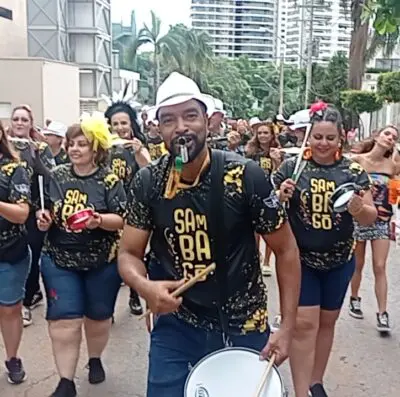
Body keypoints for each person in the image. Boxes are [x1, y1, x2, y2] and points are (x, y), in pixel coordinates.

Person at [118, 72, 301, 397]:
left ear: (210, 120)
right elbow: (129, 254)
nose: (181, 127)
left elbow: (286, 250)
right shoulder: (147, 182)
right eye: (169, 119)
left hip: (243, 323)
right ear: (157, 128)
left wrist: (286, 327)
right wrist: (146, 287)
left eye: (191, 115)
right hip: (177, 325)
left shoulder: (245, 175)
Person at [274, 102, 377, 397]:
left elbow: (371, 215)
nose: (323, 143)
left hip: (340, 261)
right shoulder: (293, 168)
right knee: (305, 324)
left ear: (340, 138)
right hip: (300, 261)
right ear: (309, 136)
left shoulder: (354, 171)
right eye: (317, 136)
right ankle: (300, 391)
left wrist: (359, 208)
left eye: (330, 137)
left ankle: (315, 381)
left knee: (326, 323)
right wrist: (281, 195)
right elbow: (267, 205)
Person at [36, 114, 126, 397]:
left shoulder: (110, 180)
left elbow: (123, 219)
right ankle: (66, 382)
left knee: (98, 316)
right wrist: (44, 218)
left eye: (82, 144)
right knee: (64, 319)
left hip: (102, 260)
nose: (74, 149)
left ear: (96, 149)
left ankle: (95, 358)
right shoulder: (58, 175)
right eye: (71, 144)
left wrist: (99, 220)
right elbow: (49, 210)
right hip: (59, 257)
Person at [349, 125, 400, 332]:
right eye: (387, 134)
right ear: (377, 136)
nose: (390, 138)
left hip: (383, 220)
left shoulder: (393, 165)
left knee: (380, 266)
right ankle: (354, 298)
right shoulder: (358, 161)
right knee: (358, 264)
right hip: (360, 218)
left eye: (394, 137)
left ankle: (382, 312)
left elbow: (396, 190)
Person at [8, 104, 56, 327]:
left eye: (24, 120)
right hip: (8, 209)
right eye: (16, 119)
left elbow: (51, 177)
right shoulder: (4, 145)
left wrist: (36, 159)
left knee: (31, 256)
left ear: (30, 123)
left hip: (34, 209)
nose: (19, 123)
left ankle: (25, 302)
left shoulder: (40, 148)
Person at [105, 94, 151, 316]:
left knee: (133, 253)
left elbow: (149, 170)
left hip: (134, 209)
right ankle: (107, 303)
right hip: (108, 208)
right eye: (115, 123)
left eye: (124, 122)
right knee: (109, 258)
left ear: (132, 123)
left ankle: (134, 294)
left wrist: (139, 151)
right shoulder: (103, 147)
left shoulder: (139, 145)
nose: (120, 128)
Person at [0, 120, 31, 384]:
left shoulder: (14, 169)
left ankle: (12, 358)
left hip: (9, 252)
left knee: (9, 309)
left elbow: (22, 214)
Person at [245, 121, 282, 277]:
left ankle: (267, 261)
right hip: (253, 192)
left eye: (266, 133)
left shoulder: (278, 151)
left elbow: (280, 174)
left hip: (272, 193)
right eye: (259, 133)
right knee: (254, 230)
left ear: (272, 135)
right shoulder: (251, 151)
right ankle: (255, 258)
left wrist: (276, 160)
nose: (262, 136)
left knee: (270, 227)